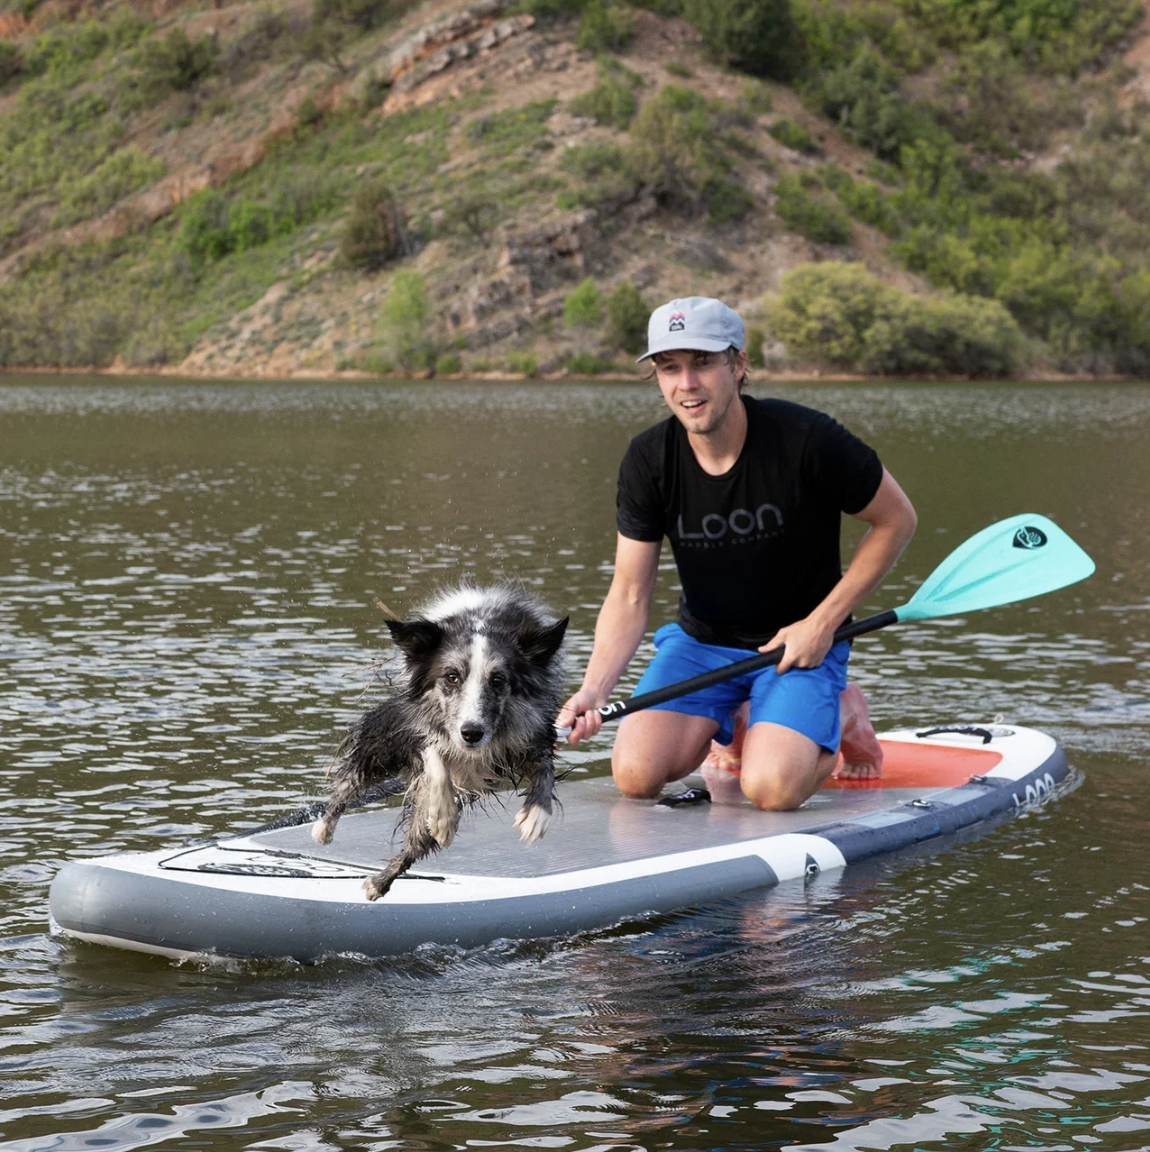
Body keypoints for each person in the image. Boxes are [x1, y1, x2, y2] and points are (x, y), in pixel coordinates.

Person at [558, 296, 918, 811]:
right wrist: (594, 691)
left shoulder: (807, 440)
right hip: (703, 645)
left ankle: (843, 709)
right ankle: (741, 715)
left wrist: (823, 623)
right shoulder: (648, 459)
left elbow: (896, 520)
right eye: (670, 367)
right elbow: (631, 592)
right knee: (636, 776)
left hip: (799, 648)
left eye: (702, 362)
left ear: (738, 364)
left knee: (770, 791)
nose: (687, 384)